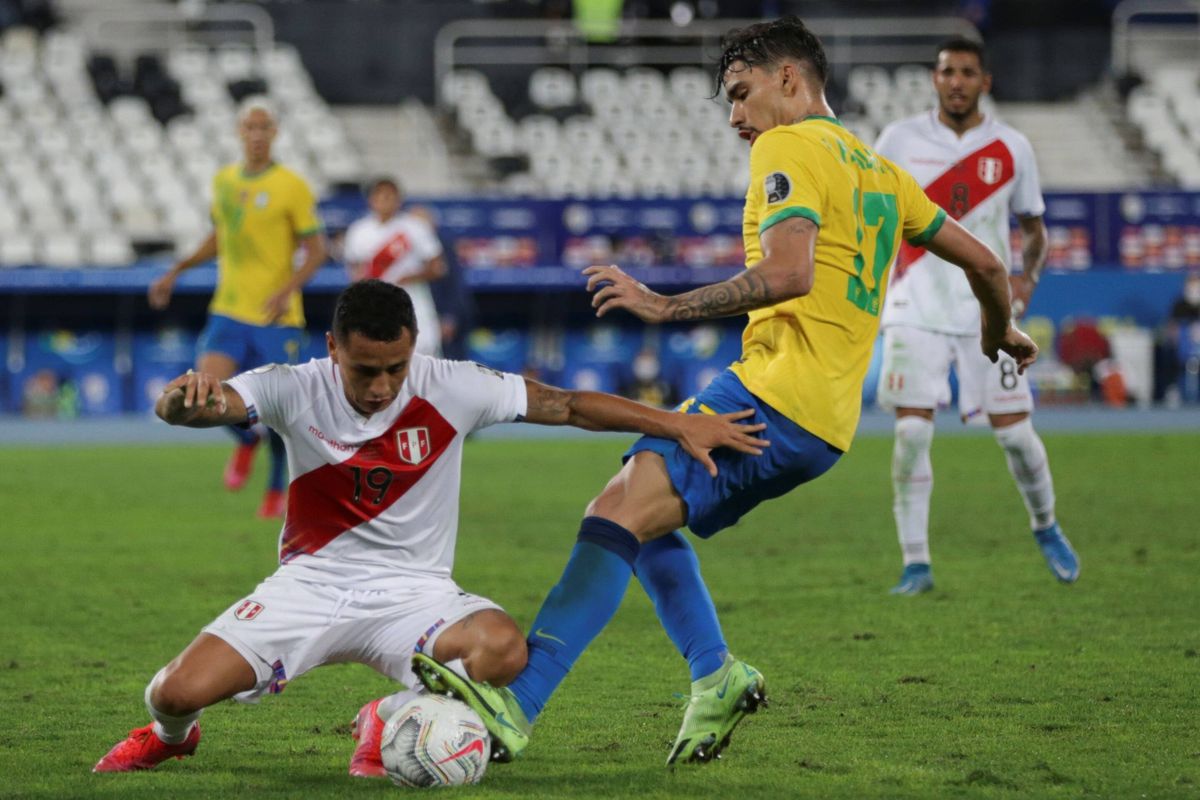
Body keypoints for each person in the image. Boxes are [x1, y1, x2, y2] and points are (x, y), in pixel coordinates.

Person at [410, 15, 1039, 767]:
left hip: (773, 395)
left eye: (741, 94)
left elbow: (789, 273)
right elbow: (991, 267)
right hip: (827, 422)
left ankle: (518, 705)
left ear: (790, 79)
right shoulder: (882, 172)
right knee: (633, 514)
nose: (736, 117)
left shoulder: (790, 144)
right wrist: (1000, 331)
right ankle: (715, 674)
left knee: (613, 512)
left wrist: (664, 306)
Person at [92, 279, 768, 776]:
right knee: (173, 691)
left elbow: (566, 406)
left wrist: (678, 422)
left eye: (396, 368)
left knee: (504, 651)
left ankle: (385, 717)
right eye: (365, 370)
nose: (384, 386)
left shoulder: (451, 384)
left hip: (416, 596)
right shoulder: (292, 385)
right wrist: (181, 405)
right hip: (310, 587)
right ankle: (174, 737)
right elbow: (212, 407)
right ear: (332, 349)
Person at [873, 37, 1079, 595]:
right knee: (912, 432)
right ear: (934, 79)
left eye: (967, 72)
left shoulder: (1012, 147)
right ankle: (915, 562)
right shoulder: (897, 140)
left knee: (1015, 437)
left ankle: (1045, 525)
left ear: (985, 81)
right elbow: (872, 216)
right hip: (914, 305)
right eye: (947, 72)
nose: (956, 81)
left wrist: (1026, 281)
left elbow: (1035, 231)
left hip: (987, 313)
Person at [147, 96, 328, 519]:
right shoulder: (225, 181)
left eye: (265, 127)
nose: (257, 135)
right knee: (201, 391)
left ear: (275, 133)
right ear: (239, 132)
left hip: (277, 318)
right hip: (228, 309)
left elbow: (318, 250)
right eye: (250, 127)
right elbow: (219, 237)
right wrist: (177, 269)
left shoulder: (292, 185)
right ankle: (247, 441)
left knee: (282, 410)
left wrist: (288, 289)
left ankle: (274, 489)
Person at [343, 178, 446, 357]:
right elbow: (354, 270)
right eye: (380, 195)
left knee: (422, 355)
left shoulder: (415, 227)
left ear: (399, 199)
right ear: (371, 199)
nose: (385, 200)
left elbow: (438, 267)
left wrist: (408, 278)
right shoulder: (359, 231)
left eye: (390, 196)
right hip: (375, 305)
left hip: (413, 302)